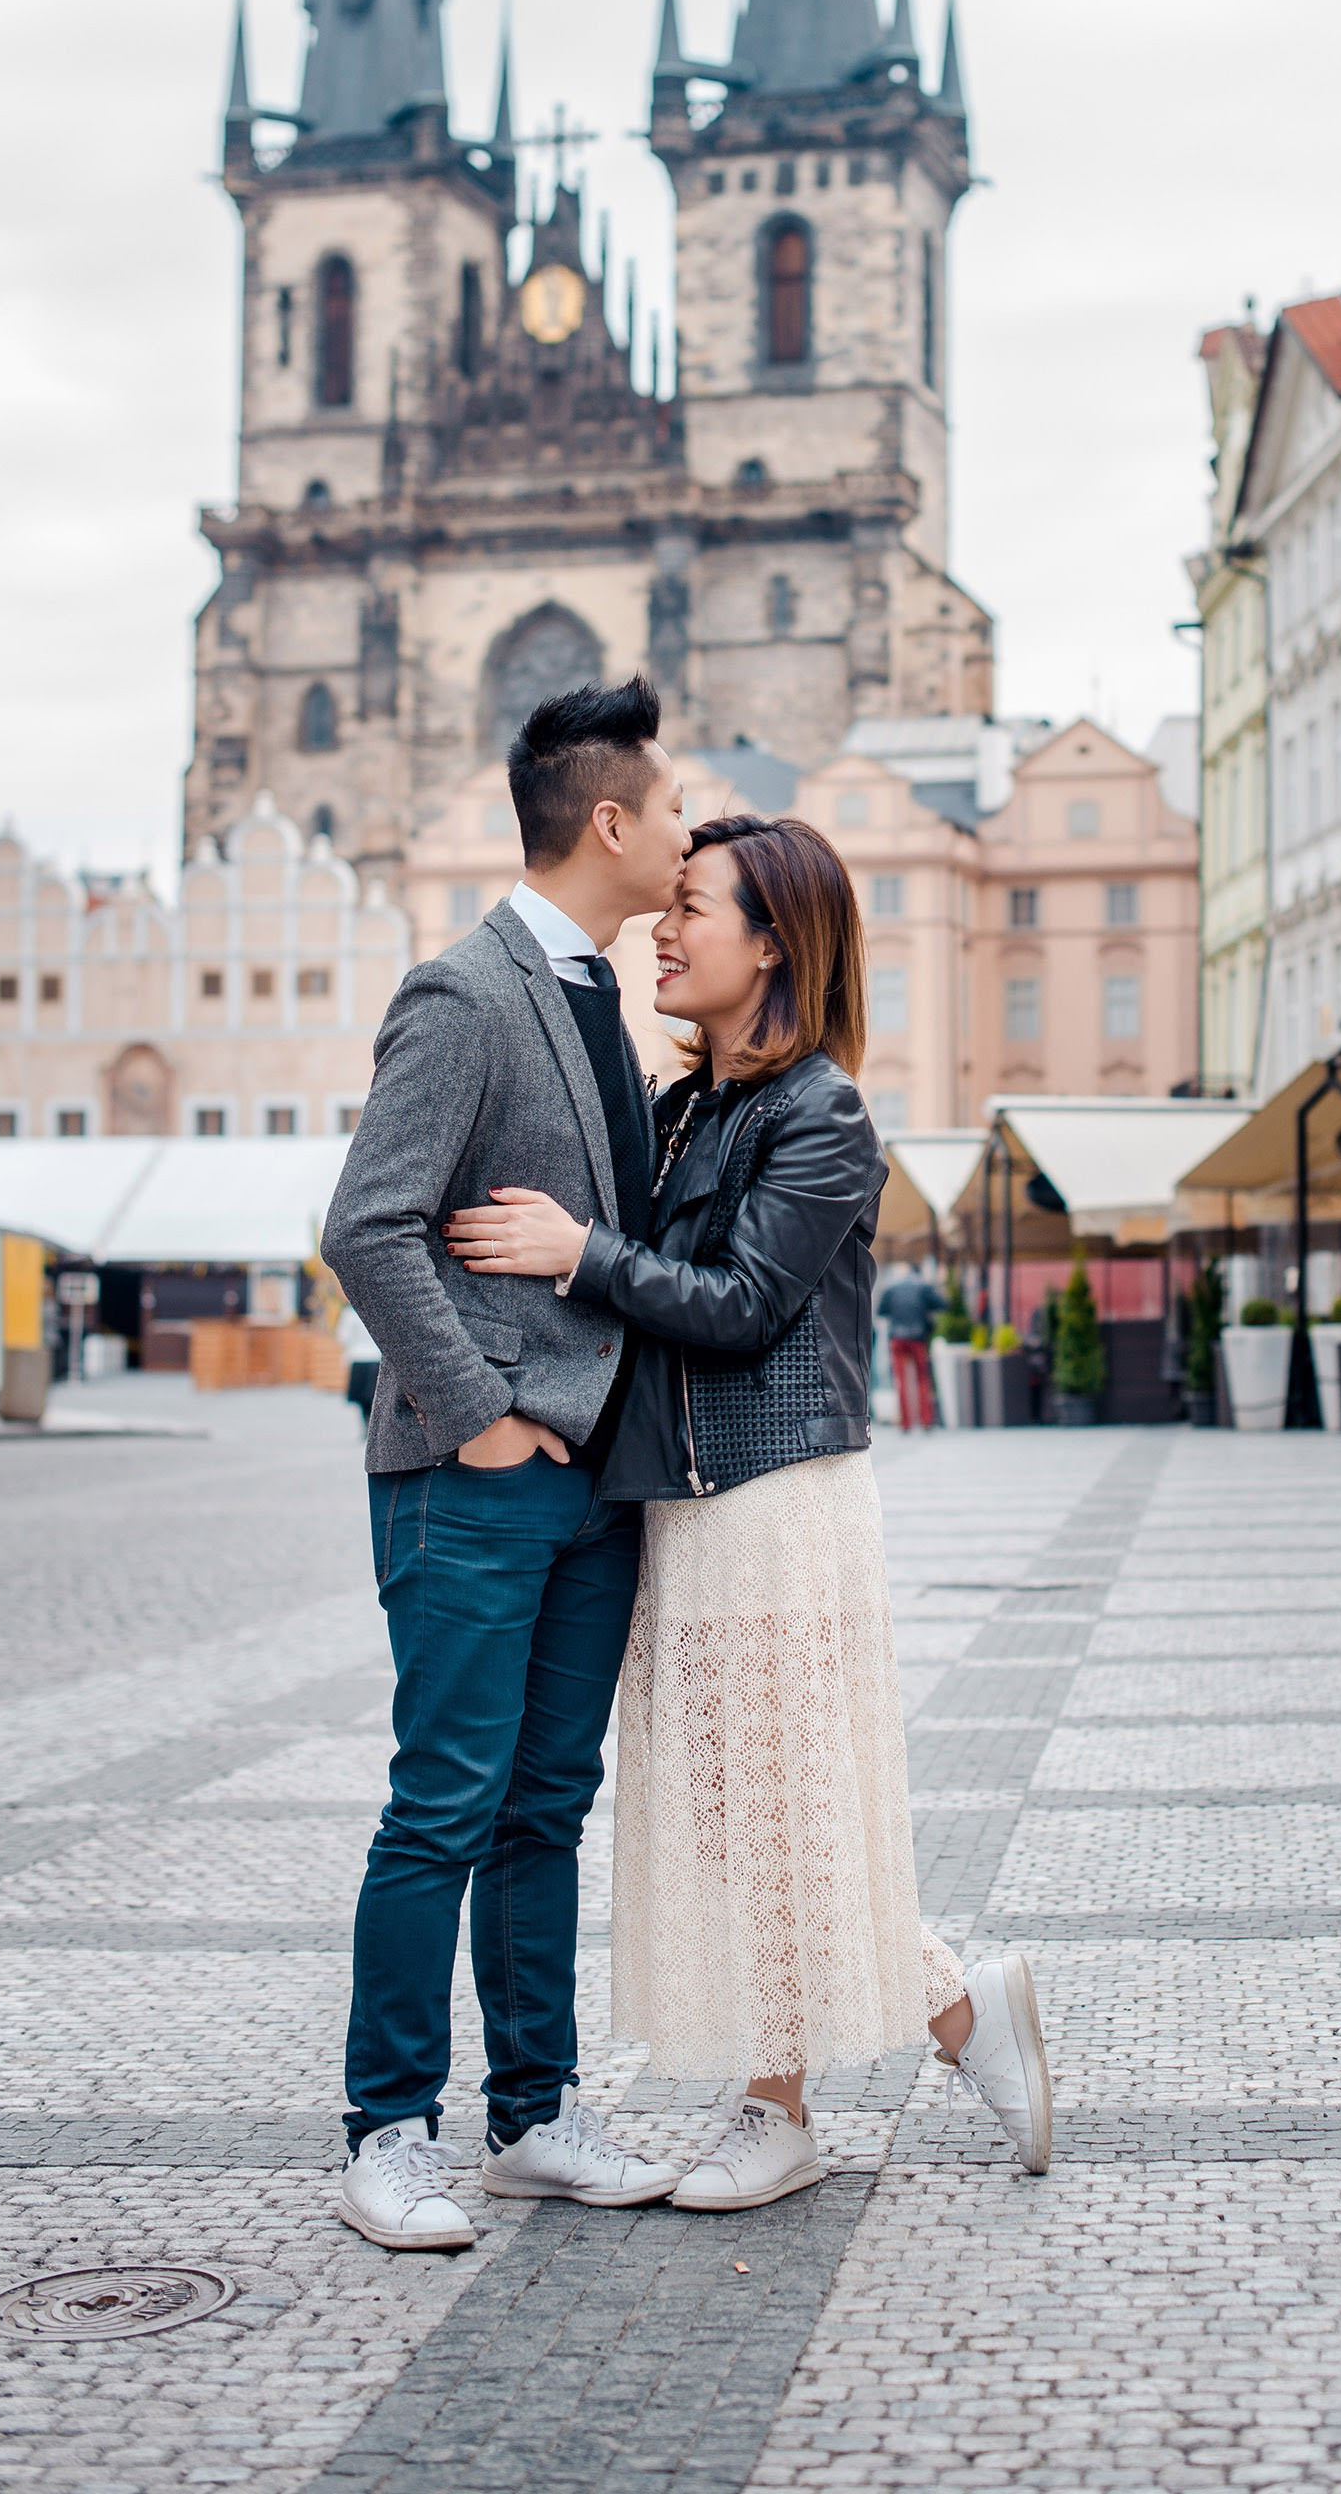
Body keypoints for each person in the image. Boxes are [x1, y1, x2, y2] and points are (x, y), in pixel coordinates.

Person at [444, 813, 1052, 2211]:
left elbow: (740, 1311)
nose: (664, 924)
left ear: (774, 942)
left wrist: (577, 1251)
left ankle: (779, 2109)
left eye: (694, 907)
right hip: (688, 1498)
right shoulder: (691, 1105)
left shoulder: (820, 1111)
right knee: (739, 1817)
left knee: (768, 1811)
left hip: (776, 1497)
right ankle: (959, 2009)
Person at [319, 676, 690, 2253]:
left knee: (546, 1803)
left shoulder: (604, 997)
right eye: (671, 807)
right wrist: (473, 1410)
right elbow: (367, 1223)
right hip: (474, 1472)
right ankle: (387, 2129)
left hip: (590, 1478)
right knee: (447, 1802)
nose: (686, 830)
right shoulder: (466, 994)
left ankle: (533, 2118)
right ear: (608, 821)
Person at [877, 1264, 941, 1430]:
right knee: (922, 1379)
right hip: (918, 1337)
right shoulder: (923, 1287)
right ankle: (926, 1421)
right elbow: (941, 1304)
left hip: (897, 1338)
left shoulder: (892, 1288)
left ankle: (905, 1423)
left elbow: (881, 1311)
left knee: (901, 1381)